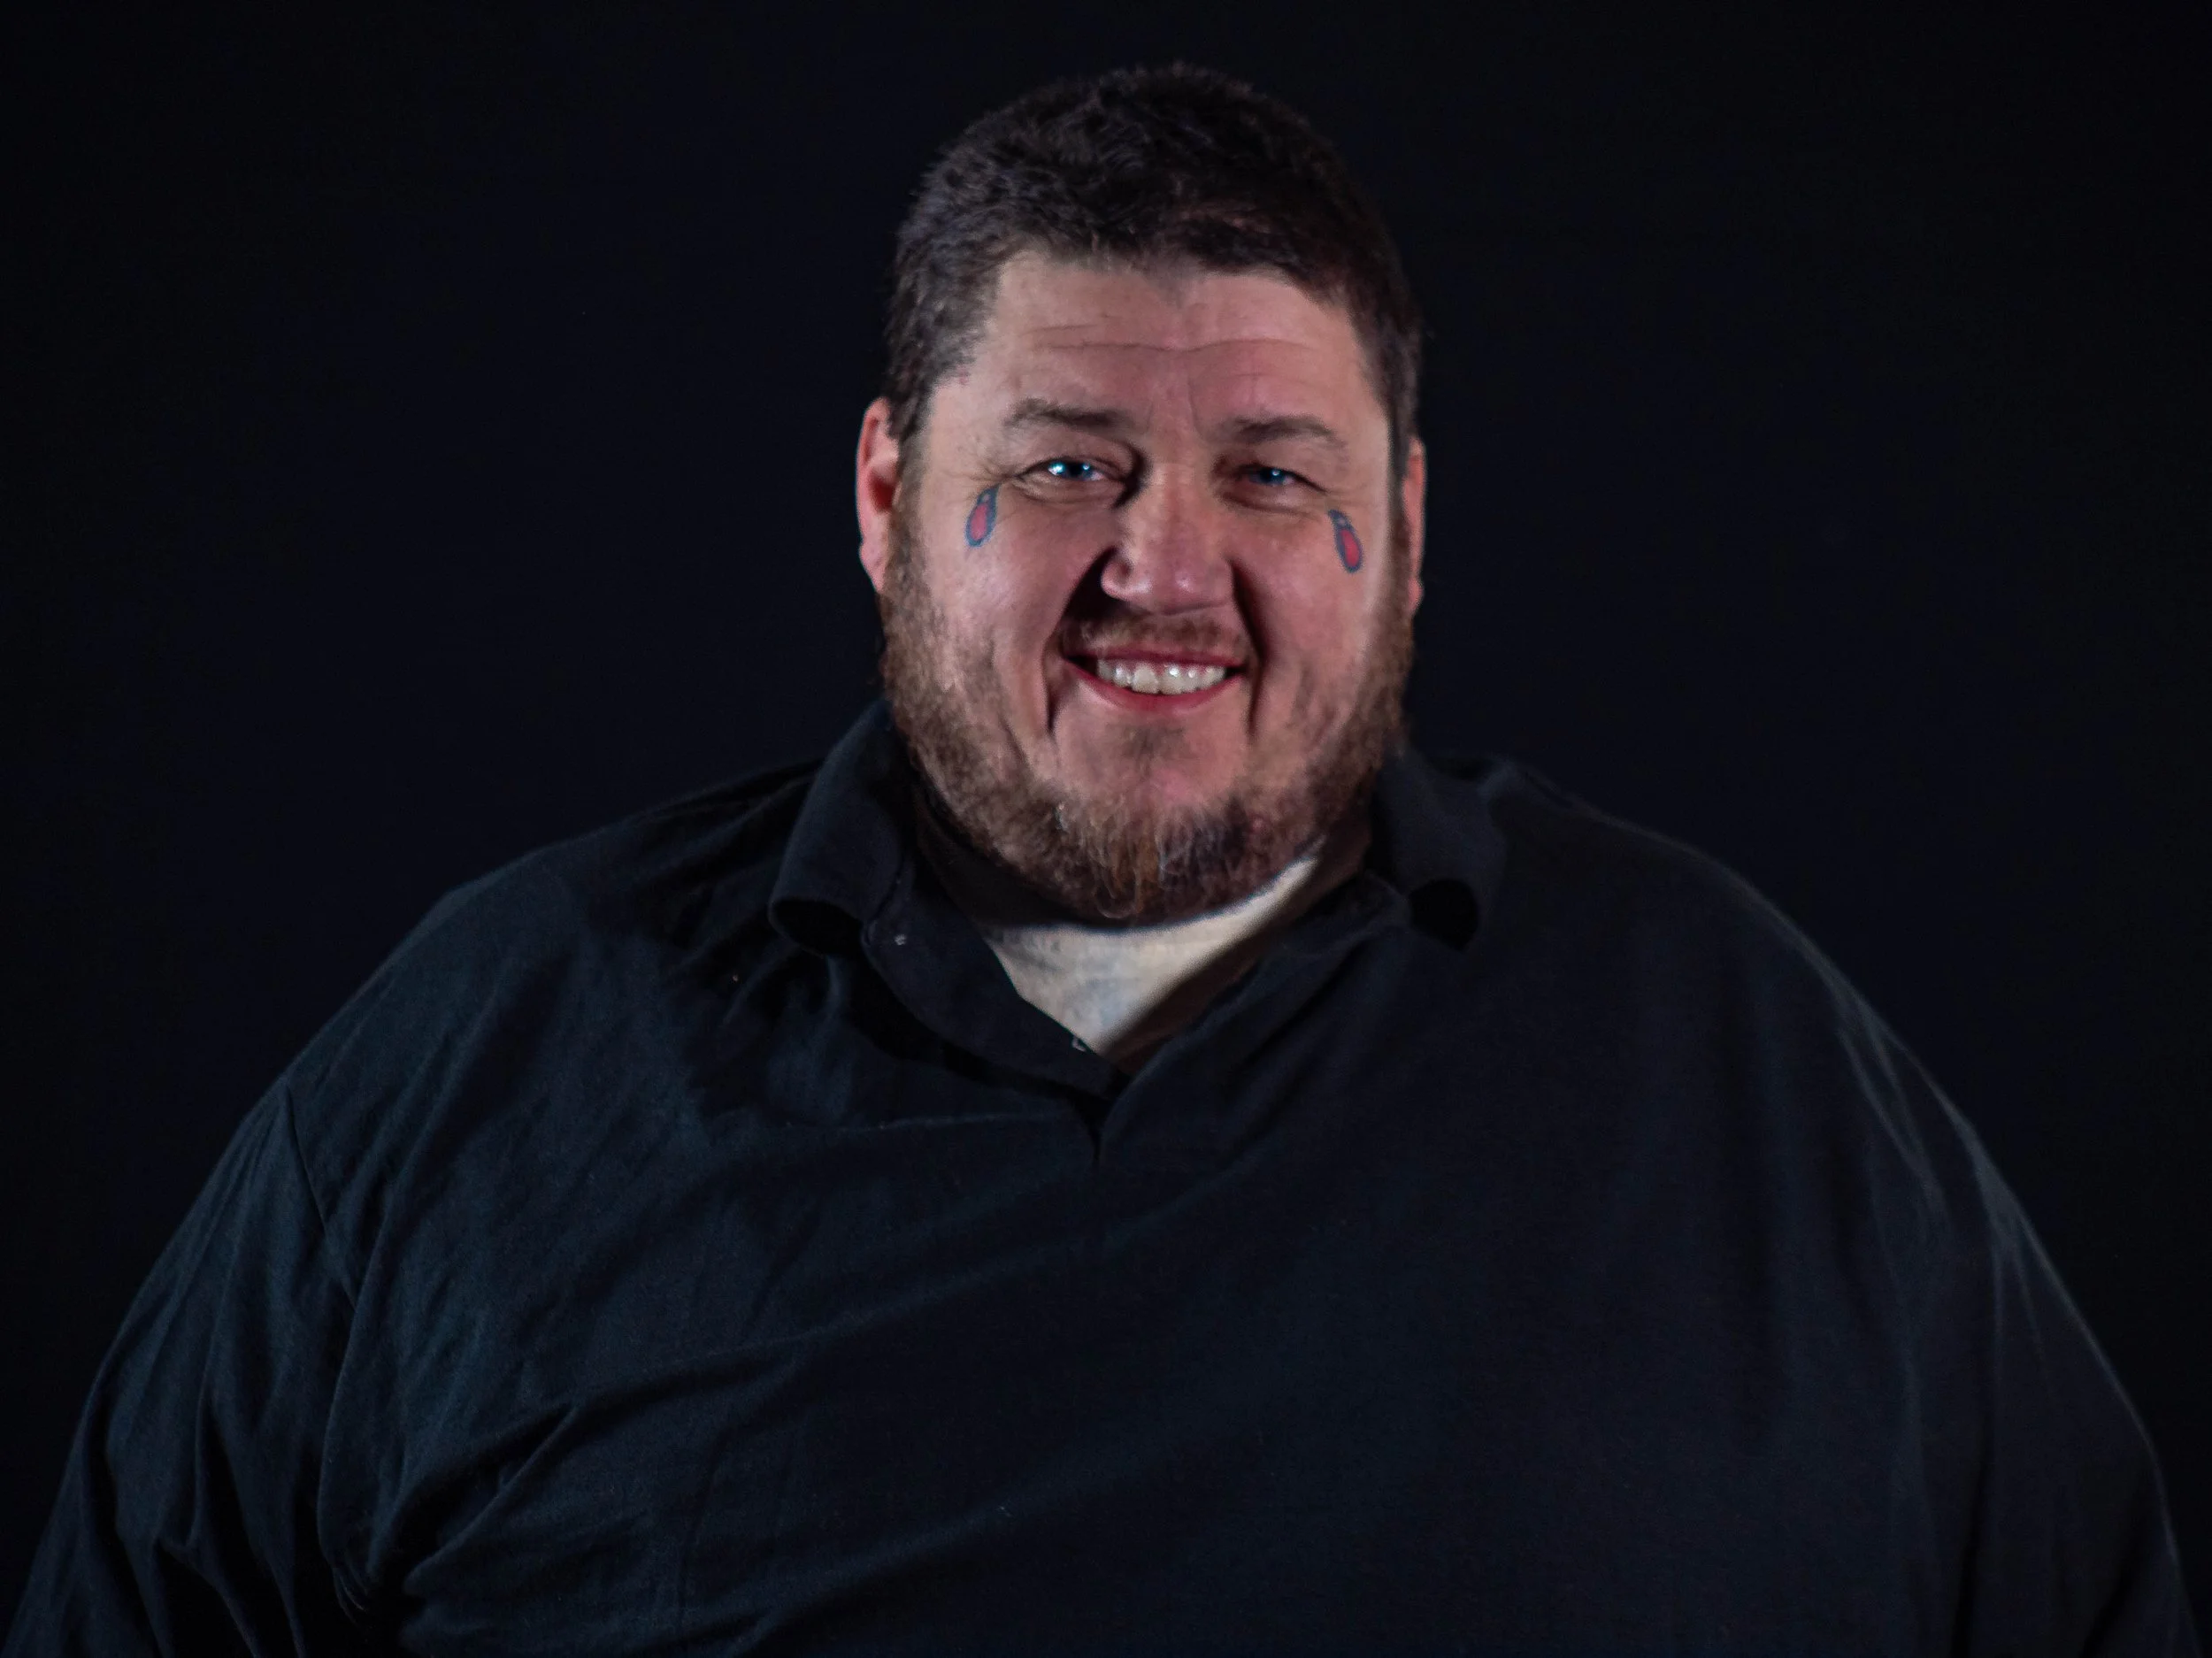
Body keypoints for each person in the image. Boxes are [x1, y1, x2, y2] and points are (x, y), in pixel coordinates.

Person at [7, 65, 2196, 1656]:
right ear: (884, 497)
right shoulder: (488, 1060)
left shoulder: (1739, 1060)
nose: (1168, 562)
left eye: (1268, 470)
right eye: (1067, 462)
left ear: (1407, 533)